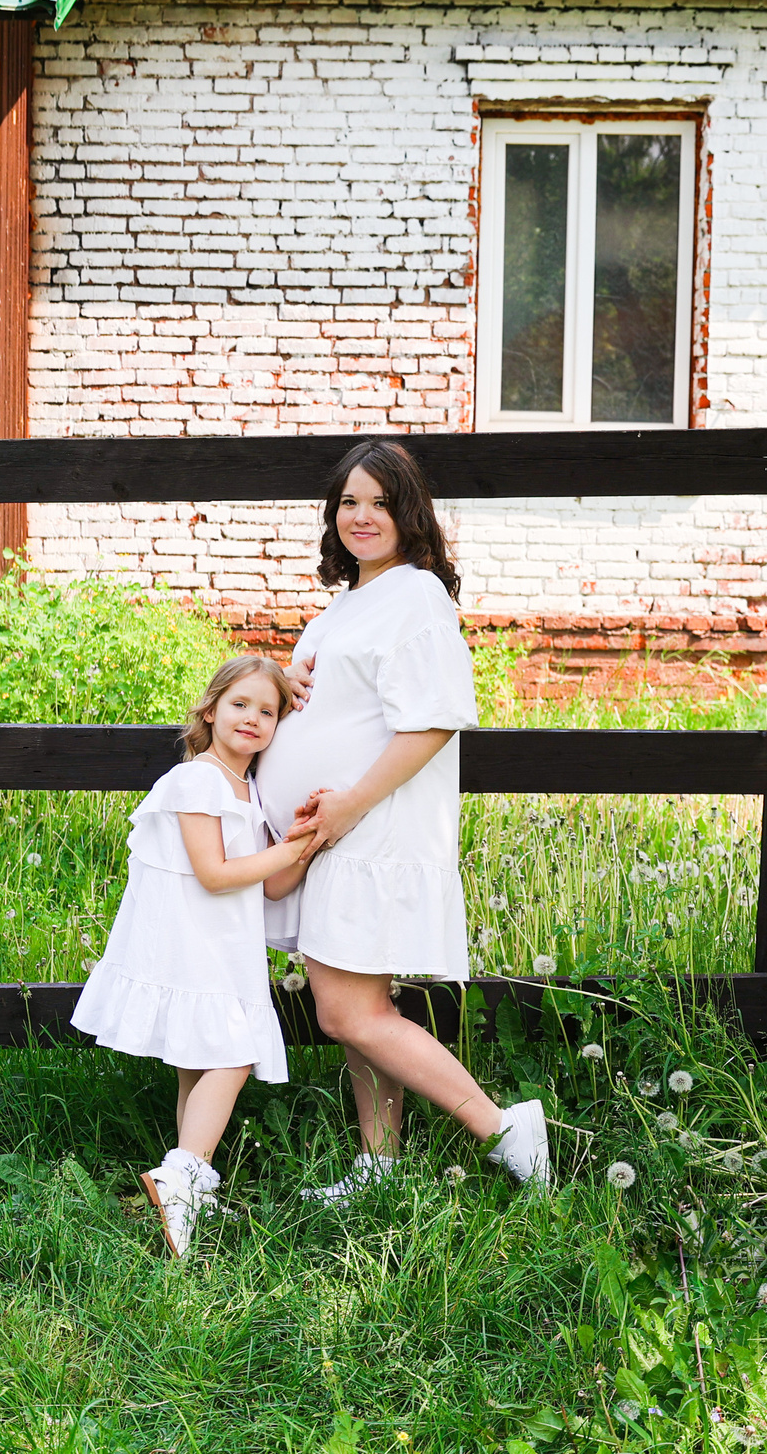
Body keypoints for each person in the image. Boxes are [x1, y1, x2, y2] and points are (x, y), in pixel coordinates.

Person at [261, 437, 552, 1199]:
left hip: (373, 830)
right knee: (364, 1008)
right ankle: (379, 1168)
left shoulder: (417, 596)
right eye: (349, 501)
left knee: (346, 1011)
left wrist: (351, 802)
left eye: (380, 503)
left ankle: (505, 1129)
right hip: (333, 835)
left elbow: (434, 719)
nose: (362, 516)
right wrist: (281, 685)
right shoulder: (349, 601)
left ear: (409, 513)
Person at [72, 654, 321, 1256]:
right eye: (240, 704)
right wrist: (288, 854)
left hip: (222, 948)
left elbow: (272, 885)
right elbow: (214, 873)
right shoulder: (195, 779)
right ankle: (181, 1176)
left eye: (269, 711)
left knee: (198, 1062)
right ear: (209, 711)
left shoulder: (249, 789)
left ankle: (187, 1200)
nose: (253, 718)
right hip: (185, 942)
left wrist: (307, 840)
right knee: (234, 1055)